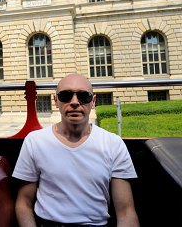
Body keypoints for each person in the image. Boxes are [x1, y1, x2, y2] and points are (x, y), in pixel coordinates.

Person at [13, 74, 140, 227]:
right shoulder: (35, 141)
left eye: (83, 96)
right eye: (66, 96)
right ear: (56, 101)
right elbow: (23, 204)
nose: (74, 102)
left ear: (93, 101)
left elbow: (126, 212)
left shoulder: (113, 144)